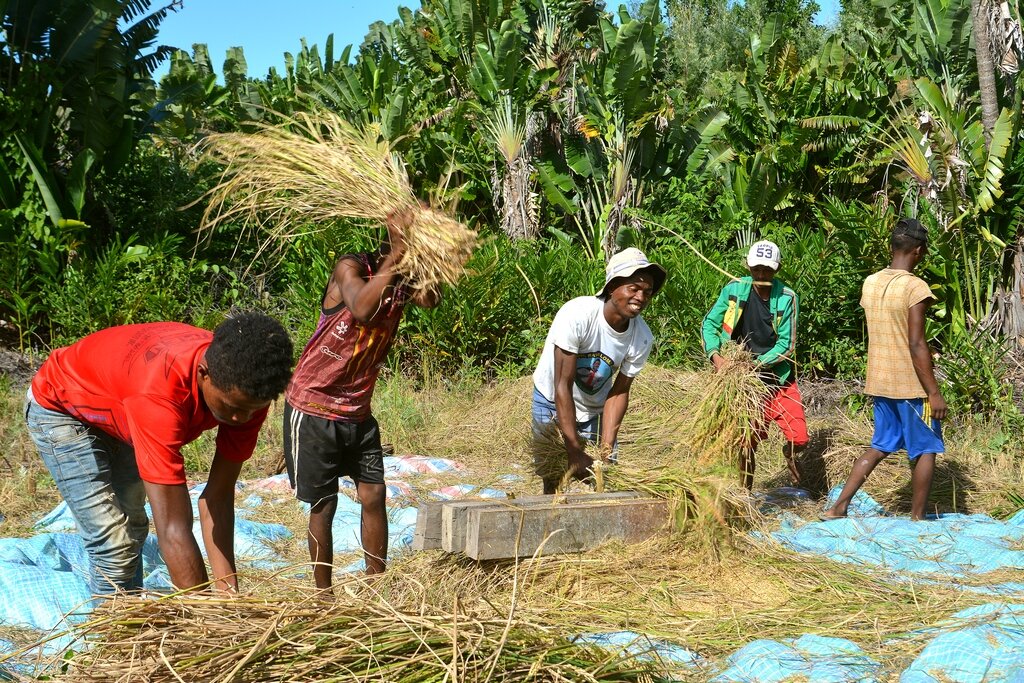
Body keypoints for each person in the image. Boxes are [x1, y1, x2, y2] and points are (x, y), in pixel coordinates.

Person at [25, 313, 294, 595]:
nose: (242, 419)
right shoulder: (160, 398)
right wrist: (210, 620)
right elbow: (173, 529)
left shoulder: (248, 388)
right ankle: (113, 634)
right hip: (61, 407)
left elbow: (218, 496)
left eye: (251, 409)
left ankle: (133, 617)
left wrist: (229, 596)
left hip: (122, 406)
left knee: (133, 526)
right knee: (114, 542)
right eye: (232, 408)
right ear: (204, 374)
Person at [284, 210, 439, 589]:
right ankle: (324, 595)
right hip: (315, 406)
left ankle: (376, 585)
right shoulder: (351, 268)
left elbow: (431, 299)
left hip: (357, 410)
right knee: (325, 505)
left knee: (374, 495)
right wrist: (395, 254)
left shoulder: (404, 278)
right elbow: (363, 308)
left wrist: (428, 259)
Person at [823, 219, 946, 521]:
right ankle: (917, 518)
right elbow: (917, 344)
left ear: (893, 247)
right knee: (925, 448)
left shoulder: (871, 282)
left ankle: (839, 506)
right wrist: (933, 392)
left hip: (880, 381)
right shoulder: (915, 287)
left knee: (879, 446)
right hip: (911, 386)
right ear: (918, 251)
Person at [531, 247, 666, 494]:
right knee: (553, 472)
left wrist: (606, 448)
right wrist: (573, 449)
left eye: (647, 292)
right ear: (612, 286)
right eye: (633, 288)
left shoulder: (642, 337)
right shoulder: (577, 315)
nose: (640, 297)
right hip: (552, 398)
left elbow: (619, 392)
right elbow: (563, 384)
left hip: (595, 406)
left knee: (604, 476)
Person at [701, 240, 807, 490]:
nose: (761, 275)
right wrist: (717, 357)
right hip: (745, 385)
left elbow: (787, 345)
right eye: (756, 269)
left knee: (800, 438)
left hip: (778, 379)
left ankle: (789, 453)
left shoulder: (787, 298)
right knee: (746, 442)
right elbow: (710, 324)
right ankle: (745, 493)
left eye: (767, 270)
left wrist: (757, 364)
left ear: (777, 269)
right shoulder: (735, 290)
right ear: (748, 266)